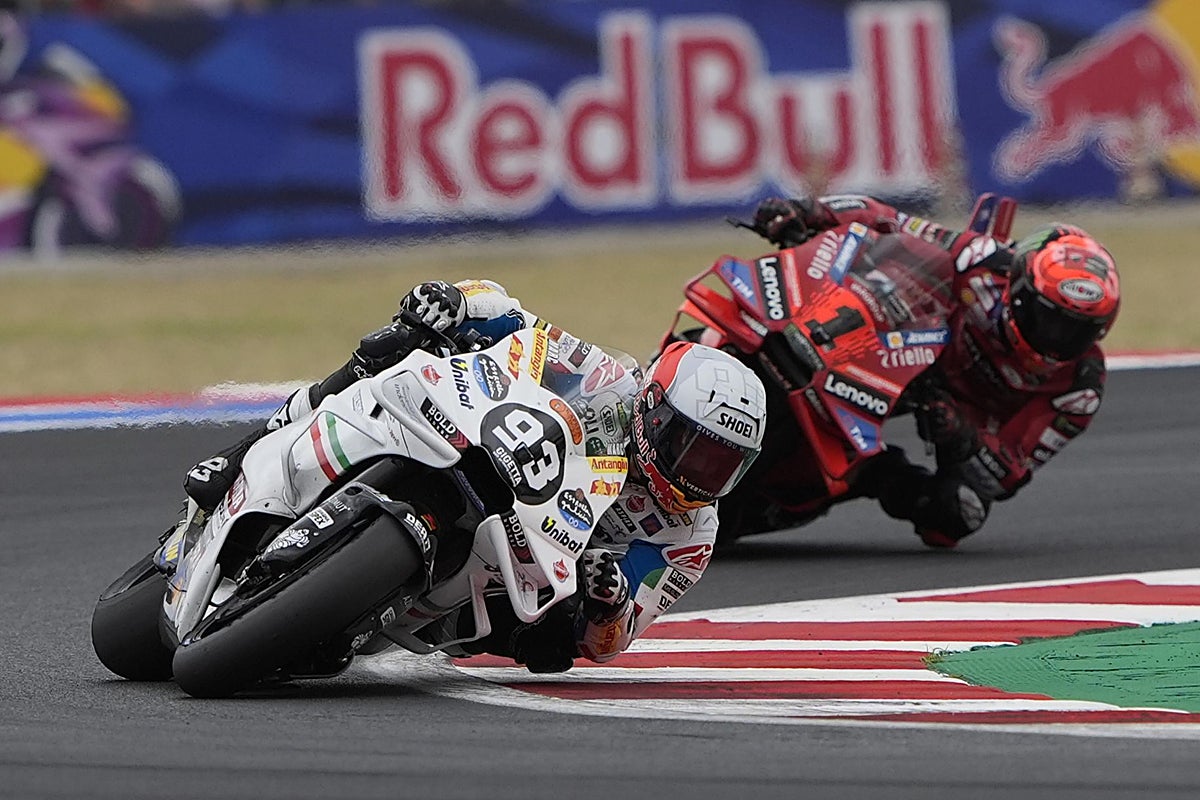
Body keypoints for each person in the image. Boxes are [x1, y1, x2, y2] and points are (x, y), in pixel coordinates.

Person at [183, 279, 768, 671]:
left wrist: (609, 601)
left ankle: (361, 610)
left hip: (522, 567)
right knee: (393, 348)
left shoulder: (691, 535)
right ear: (655, 411)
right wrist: (454, 303)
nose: (700, 474)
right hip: (478, 446)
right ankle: (243, 453)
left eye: (721, 466)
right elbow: (515, 319)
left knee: (552, 646)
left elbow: (615, 640)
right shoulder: (608, 378)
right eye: (694, 450)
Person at [743, 194, 1120, 548]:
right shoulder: (984, 262)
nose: (1057, 339)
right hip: (906, 342)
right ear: (1019, 289)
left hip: (954, 413)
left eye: (1078, 332)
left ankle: (871, 474)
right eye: (1049, 319)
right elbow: (889, 220)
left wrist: (963, 437)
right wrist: (809, 212)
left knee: (958, 514)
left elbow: (1010, 472)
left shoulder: (1079, 389)